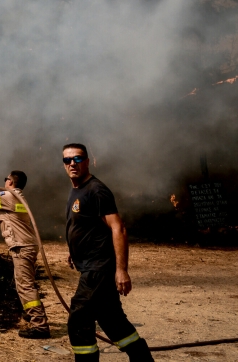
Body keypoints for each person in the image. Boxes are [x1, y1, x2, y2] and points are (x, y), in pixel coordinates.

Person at [62, 143, 154, 361]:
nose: (72, 164)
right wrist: (73, 250)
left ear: (87, 161)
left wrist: (122, 270)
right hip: (90, 263)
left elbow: (118, 227)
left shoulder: (97, 190)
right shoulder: (77, 189)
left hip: (99, 267)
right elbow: (84, 225)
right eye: (67, 160)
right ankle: (142, 359)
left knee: (79, 318)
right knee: (110, 318)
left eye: (77, 158)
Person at [0, 171, 51, 339]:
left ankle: (39, 325)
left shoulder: (8, 196)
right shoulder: (16, 198)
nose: (3, 181)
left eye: (6, 179)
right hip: (27, 245)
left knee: (25, 286)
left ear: (10, 182)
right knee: (27, 283)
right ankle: (30, 312)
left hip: (22, 247)